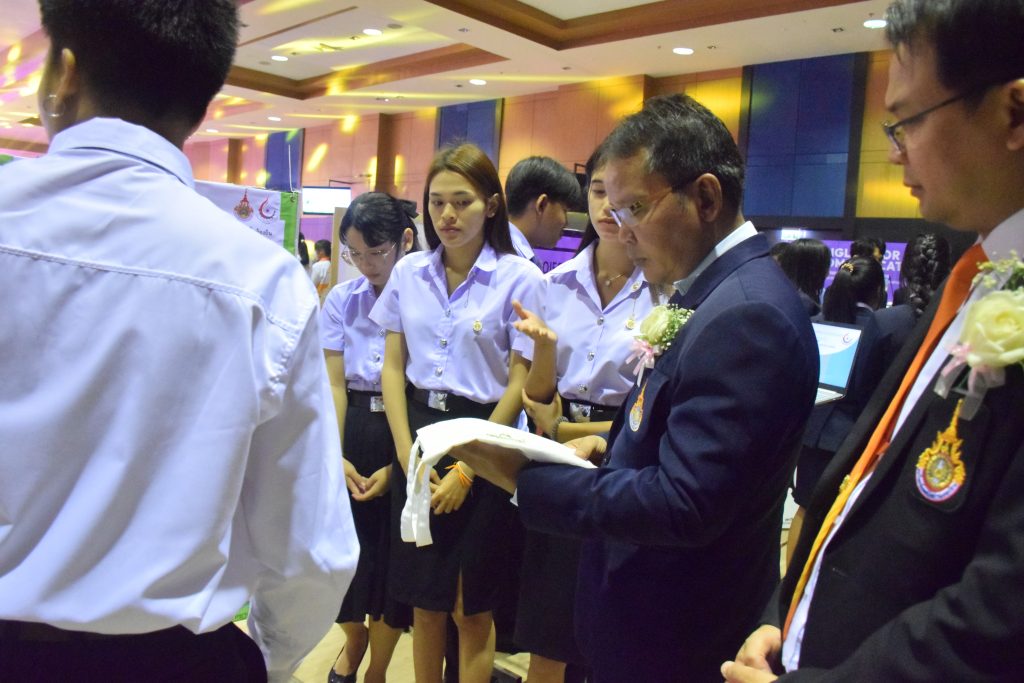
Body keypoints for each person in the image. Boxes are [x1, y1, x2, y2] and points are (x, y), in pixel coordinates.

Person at [0, 2, 358, 681]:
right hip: (177, 657)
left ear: (63, 75)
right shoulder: (262, 279)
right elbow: (310, 550)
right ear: (201, 102)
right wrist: (268, 658)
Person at [454, 94, 819, 682]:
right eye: (611, 209)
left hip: (678, 631)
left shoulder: (747, 313)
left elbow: (686, 503)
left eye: (634, 209)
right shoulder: (714, 291)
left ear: (705, 198)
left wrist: (526, 479)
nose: (620, 232)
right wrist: (611, 448)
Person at [725, 0, 1024, 680]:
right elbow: (862, 483)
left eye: (908, 120)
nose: (893, 152)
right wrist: (786, 613)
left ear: (1013, 113)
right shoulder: (976, 276)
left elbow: (1003, 610)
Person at [369, 143, 544, 683]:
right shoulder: (409, 273)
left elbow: (519, 383)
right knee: (424, 602)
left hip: (486, 437)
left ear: (491, 205)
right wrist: (407, 455)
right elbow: (392, 368)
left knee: (471, 608)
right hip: (419, 432)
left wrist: (470, 467)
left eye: (462, 202)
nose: (447, 215)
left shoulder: (519, 277)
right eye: (437, 202)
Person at [510, 143, 659, 683]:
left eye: (621, 195)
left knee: (611, 631)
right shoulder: (553, 285)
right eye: (598, 191)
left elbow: (651, 407)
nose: (607, 206)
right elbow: (538, 399)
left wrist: (564, 425)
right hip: (557, 458)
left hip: (624, 459)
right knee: (549, 633)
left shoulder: (664, 293)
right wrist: (545, 353)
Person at [321, 193, 419, 683]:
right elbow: (335, 385)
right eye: (355, 253)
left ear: (404, 241)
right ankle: (352, 637)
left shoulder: (423, 299)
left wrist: (399, 461)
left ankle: (376, 670)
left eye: (376, 252)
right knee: (342, 553)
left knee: (390, 562)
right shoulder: (342, 299)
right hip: (354, 426)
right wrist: (334, 454)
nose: (366, 264)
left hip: (404, 429)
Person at [787, 257, 887, 566]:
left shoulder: (817, 320)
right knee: (838, 517)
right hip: (849, 437)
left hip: (811, 431)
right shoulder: (879, 328)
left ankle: (789, 581)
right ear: (878, 290)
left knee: (804, 509)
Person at [504, 155, 583, 265]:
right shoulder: (517, 265)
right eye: (564, 211)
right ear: (541, 205)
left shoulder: (497, 249)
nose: (566, 223)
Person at [776, 238, 831, 316]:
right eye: (826, 266)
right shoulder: (805, 305)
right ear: (813, 269)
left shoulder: (778, 294)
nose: (828, 273)